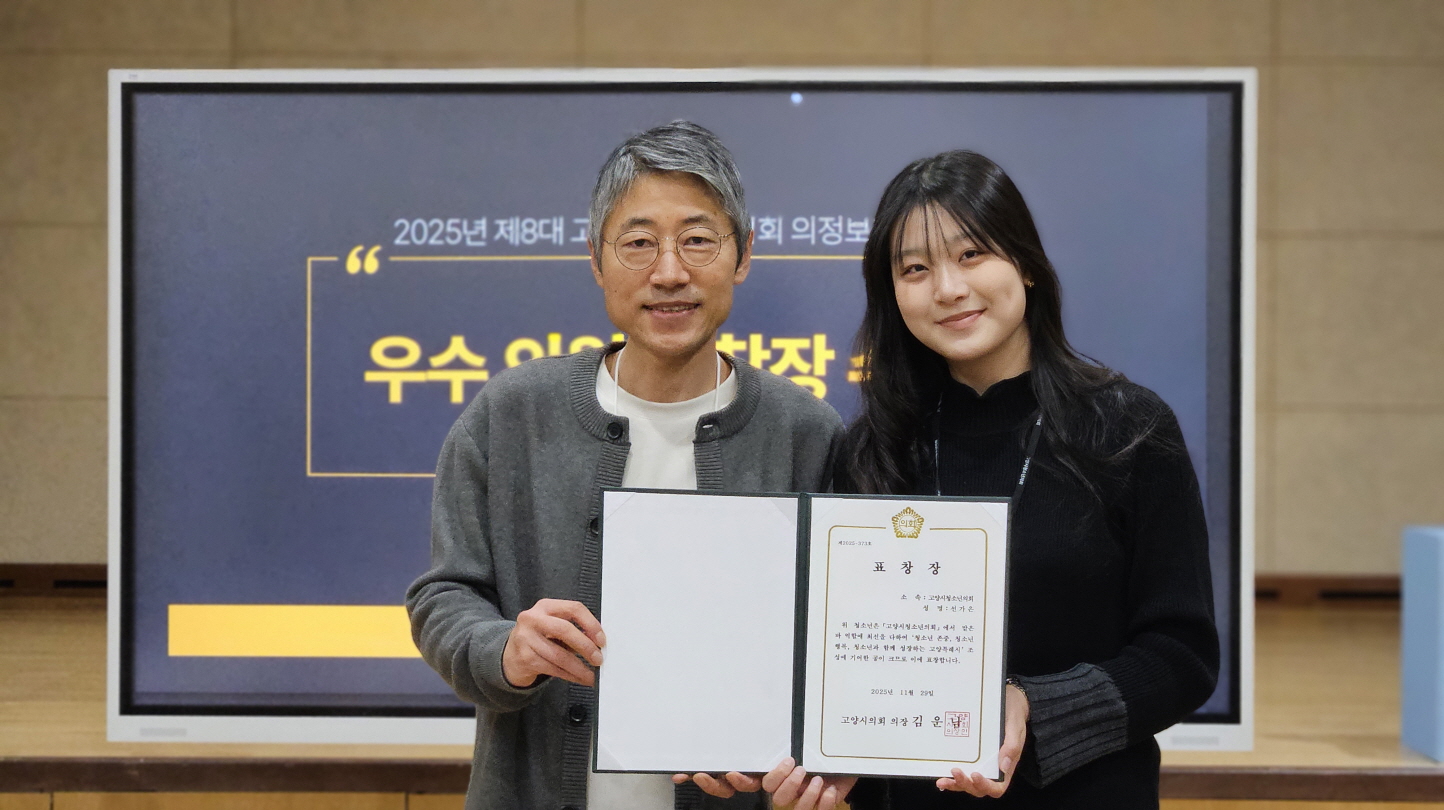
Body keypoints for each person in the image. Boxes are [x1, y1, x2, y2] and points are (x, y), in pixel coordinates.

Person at [761, 150, 1219, 810]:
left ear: (1025, 264)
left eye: (971, 254)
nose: (948, 288)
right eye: (915, 269)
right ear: (892, 294)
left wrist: (1035, 707)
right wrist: (833, 757)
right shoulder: (871, 453)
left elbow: (1183, 655)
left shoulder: (1129, 430)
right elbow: (837, 657)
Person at [406, 121, 843, 810]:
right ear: (596, 260)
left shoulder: (806, 432)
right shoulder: (512, 413)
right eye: (638, 243)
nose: (669, 272)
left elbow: (838, 642)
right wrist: (505, 650)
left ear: (743, 255)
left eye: (697, 239)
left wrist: (795, 749)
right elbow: (443, 597)